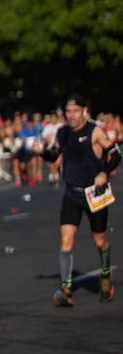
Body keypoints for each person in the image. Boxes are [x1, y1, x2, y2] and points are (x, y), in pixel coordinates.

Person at [42, 94, 119, 305]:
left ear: (85, 111)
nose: (71, 115)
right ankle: (66, 287)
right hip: (72, 193)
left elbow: (116, 153)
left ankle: (105, 276)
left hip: (94, 193)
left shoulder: (95, 132)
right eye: (68, 111)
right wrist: (42, 152)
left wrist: (104, 171)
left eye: (75, 111)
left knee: (100, 240)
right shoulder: (63, 132)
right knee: (66, 240)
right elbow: (55, 156)